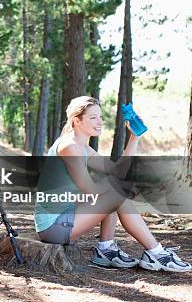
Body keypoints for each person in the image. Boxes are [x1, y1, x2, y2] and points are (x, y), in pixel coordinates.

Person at [34, 96, 191, 272]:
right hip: (53, 227)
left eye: (100, 117)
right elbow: (90, 190)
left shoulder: (82, 147)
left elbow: (116, 170)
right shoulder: (69, 147)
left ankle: (107, 249)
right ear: (76, 121)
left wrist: (134, 138)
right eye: (93, 117)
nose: (100, 121)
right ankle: (157, 252)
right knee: (115, 192)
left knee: (115, 188)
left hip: (65, 216)